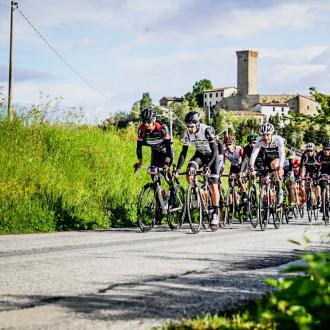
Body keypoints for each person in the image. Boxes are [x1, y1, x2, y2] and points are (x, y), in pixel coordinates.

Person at [176, 111, 220, 228]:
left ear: (198, 124)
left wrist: (208, 166)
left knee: (213, 186)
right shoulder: (187, 134)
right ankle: (196, 193)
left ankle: (215, 213)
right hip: (200, 155)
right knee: (190, 170)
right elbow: (183, 153)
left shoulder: (207, 131)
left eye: (191, 126)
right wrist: (177, 168)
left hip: (212, 156)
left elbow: (215, 151)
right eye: (187, 126)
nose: (189, 129)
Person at [249, 123, 285, 206]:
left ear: (271, 133)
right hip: (266, 159)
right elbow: (254, 154)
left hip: (276, 157)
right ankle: (265, 204)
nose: (265, 137)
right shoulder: (259, 140)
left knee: (273, 164)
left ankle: (279, 188)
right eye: (263, 135)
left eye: (268, 135)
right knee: (264, 180)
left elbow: (282, 153)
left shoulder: (278, 139)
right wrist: (251, 165)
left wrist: (281, 166)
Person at [134, 107, 173, 171]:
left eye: (148, 121)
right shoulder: (141, 130)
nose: (146, 124)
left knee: (164, 171)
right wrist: (140, 161)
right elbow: (139, 147)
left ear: (154, 119)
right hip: (155, 151)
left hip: (165, 150)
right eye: (144, 121)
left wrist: (166, 163)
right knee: (152, 172)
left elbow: (168, 147)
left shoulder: (162, 128)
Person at [223, 134, 247, 203]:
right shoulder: (225, 152)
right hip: (233, 166)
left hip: (242, 165)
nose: (228, 146)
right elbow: (223, 163)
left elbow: (244, 160)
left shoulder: (239, 149)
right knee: (230, 183)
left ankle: (245, 195)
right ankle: (231, 205)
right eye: (226, 144)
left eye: (229, 144)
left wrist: (241, 171)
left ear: (233, 143)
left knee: (239, 179)